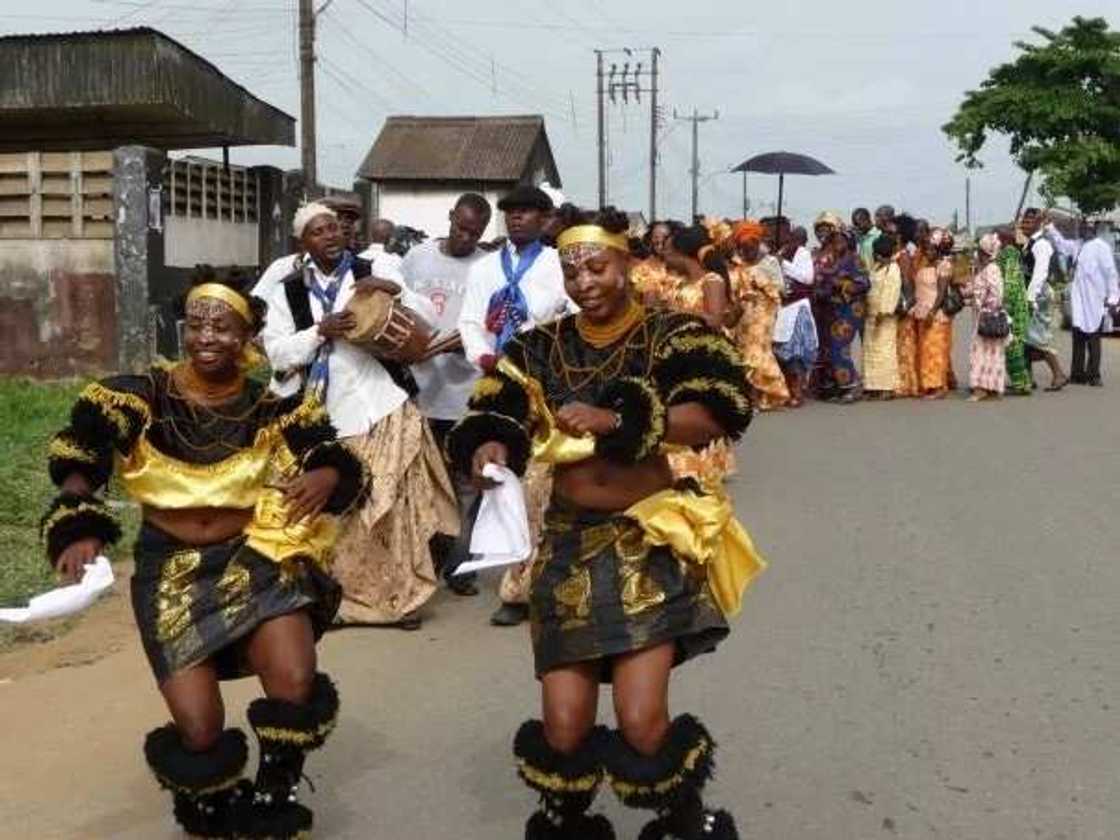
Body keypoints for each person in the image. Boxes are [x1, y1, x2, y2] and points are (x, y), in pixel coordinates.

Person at [445, 208, 762, 840]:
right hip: (566, 544)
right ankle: (569, 826)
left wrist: (622, 421)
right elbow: (497, 411)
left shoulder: (671, 335)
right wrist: (490, 448)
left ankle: (683, 822)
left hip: (644, 540)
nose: (585, 280)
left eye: (597, 266)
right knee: (563, 731)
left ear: (626, 265)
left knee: (643, 725)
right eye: (571, 270)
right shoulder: (539, 344)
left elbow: (716, 412)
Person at [43, 269, 367, 839]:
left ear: (246, 339)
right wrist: (77, 522)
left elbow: (325, 449)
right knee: (199, 730)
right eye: (196, 325)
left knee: (294, 681)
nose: (207, 337)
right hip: (168, 567)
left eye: (223, 326)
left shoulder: (270, 406)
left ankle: (274, 798)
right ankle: (211, 811)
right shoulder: (140, 397)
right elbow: (83, 452)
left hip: (253, 560)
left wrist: (323, 473)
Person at [261, 203, 458, 631]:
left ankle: (400, 599)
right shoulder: (287, 289)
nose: (330, 235)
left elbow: (427, 318)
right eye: (318, 231)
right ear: (304, 243)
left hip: (381, 403)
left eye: (334, 227)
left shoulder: (374, 268)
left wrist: (396, 290)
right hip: (320, 413)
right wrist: (319, 331)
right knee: (340, 513)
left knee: (390, 508)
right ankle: (341, 601)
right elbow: (275, 353)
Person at [458, 184, 570, 627]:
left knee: (543, 483)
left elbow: (574, 311)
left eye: (528, 212)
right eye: (512, 213)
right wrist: (481, 354)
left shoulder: (559, 265)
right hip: (498, 380)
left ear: (546, 220)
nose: (518, 219)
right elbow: (470, 319)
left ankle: (540, 584)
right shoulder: (486, 267)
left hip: (548, 382)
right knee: (500, 478)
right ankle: (512, 582)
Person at [399, 192, 493, 596]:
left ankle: (461, 566)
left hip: (467, 390)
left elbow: (493, 321)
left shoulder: (486, 267)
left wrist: (467, 341)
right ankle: (431, 556)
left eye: (474, 232)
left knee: (467, 482)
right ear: (450, 218)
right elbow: (398, 305)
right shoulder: (417, 258)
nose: (465, 237)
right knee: (425, 480)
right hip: (423, 387)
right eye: (461, 227)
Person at [1046, 217, 1120, 386]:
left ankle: (1094, 375)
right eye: (1083, 226)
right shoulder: (1078, 245)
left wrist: (1113, 297)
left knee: (1094, 338)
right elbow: (1061, 244)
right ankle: (1077, 373)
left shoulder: (1102, 247)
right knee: (1078, 336)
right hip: (1079, 300)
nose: (1085, 229)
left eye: (1088, 226)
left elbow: (1111, 273)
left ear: (1094, 229)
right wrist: (1050, 228)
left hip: (1095, 300)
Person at [730, 219, 790, 410]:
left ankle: (763, 394)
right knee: (742, 350)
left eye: (750, 247)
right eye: (743, 248)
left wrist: (760, 284)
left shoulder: (770, 262)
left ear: (757, 244)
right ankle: (752, 394)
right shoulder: (736, 264)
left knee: (757, 351)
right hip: (742, 311)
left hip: (764, 310)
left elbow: (781, 288)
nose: (747, 251)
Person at [811, 212, 869, 403]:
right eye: (835, 240)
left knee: (838, 348)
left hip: (851, 309)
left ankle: (852, 385)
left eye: (841, 240)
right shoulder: (832, 259)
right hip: (833, 309)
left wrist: (841, 285)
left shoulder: (854, 259)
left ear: (849, 241)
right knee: (833, 348)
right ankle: (840, 385)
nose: (837, 243)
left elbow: (864, 283)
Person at [1020, 208, 1068, 391]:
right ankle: (1026, 377)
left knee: (1037, 337)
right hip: (1031, 294)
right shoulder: (1029, 244)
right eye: (1023, 222)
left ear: (1038, 223)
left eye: (1028, 222)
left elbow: (1040, 274)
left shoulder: (1041, 244)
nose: (1024, 225)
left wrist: (1030, 298)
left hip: (1038, 296)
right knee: (1024, 337)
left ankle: (1059, 374)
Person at [775, 227, 818, 408]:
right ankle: (785, 390)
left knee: (796, 353)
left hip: (798, 308)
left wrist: (783, 263)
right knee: (782, 352)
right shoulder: (780, 252)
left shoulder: (802, 254)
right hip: (781, 308)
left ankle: (798, 391)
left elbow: (807, 278)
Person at [910, 228, 954, 400]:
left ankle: (939, 386)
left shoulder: (944, 266)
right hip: (921, 313)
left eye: (931, 248)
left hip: (935, 315)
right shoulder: (925, 266)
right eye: (926, 248)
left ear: (938, 249)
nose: (927, 252)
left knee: (936, 351)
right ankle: (928, 385)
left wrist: (933, 311)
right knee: (925, 351)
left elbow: (942, 292)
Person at [968, 233, 1009, 401]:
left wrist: (980, 303)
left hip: (987, 316)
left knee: (982, 352)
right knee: (990, 353)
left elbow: (997, 295)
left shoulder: (992, 269)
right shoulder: (985, 268)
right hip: (984, 314)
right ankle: (990, 387)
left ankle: (981, 388)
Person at [863, 234, 902, 398]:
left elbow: (891, 291)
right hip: (870, 315)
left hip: (884, 317)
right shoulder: (876, 267)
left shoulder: (892, 269)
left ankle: (887, 387)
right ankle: (872, 385)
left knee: (885, 351)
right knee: (871, 351)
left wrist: (883, 311)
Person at [996, 227, 1033, 395]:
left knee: (1013, 346)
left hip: (1014, 307)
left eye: (997, 237)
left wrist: (1005, 304)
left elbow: (1009, 281)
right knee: (1014, 345)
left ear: (1003, 239)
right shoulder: (1008, 253)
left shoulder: (1009, 254)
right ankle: (1023, 381)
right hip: (1015, 305)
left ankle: (1021, 384)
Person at [893, 214, 922, 397]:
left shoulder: (903, 256)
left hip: (902, 305)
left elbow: (907, 282)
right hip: (895, 304)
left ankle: (907, 383)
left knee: (905, 345)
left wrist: (906, 304)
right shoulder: (897, 254)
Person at [852, 207, 880, 274]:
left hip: (877, 277)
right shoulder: (860, 237)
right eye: (855, 225)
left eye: (858, 224)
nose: (857, 227)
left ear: (866, 220)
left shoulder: (878, 235)